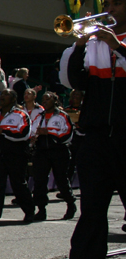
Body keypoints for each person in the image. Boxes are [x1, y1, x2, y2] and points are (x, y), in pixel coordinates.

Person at [57, 0, 126, 259]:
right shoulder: (96, 43)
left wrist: (119, 46)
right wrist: (80, 44)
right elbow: (74, 81)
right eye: (107, 3)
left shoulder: (114, 42)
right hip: (97, 138)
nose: (110, 8)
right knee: (92, 213)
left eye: (116, 3)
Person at [0, 89, 35, 226]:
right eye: (2, 94)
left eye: (6, 94)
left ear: (13, 99)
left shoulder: (21, 114)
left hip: (16, 155)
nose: (3, 96)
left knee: (18, 184)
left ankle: (29, 211)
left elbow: (24, 134)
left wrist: (3, 131)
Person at [30, 91, 75, 221]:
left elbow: (67, 134)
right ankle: (41, 209)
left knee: (61, 179)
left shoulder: (62, 115)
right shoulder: (40, 116)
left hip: (58, 151)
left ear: (55, 101)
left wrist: (49, 133)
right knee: (40, 181)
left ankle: (70, 204)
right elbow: (32, 131)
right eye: (43, 99)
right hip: (42, 151)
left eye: (47, 99)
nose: (44, 101)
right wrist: (35, 137)